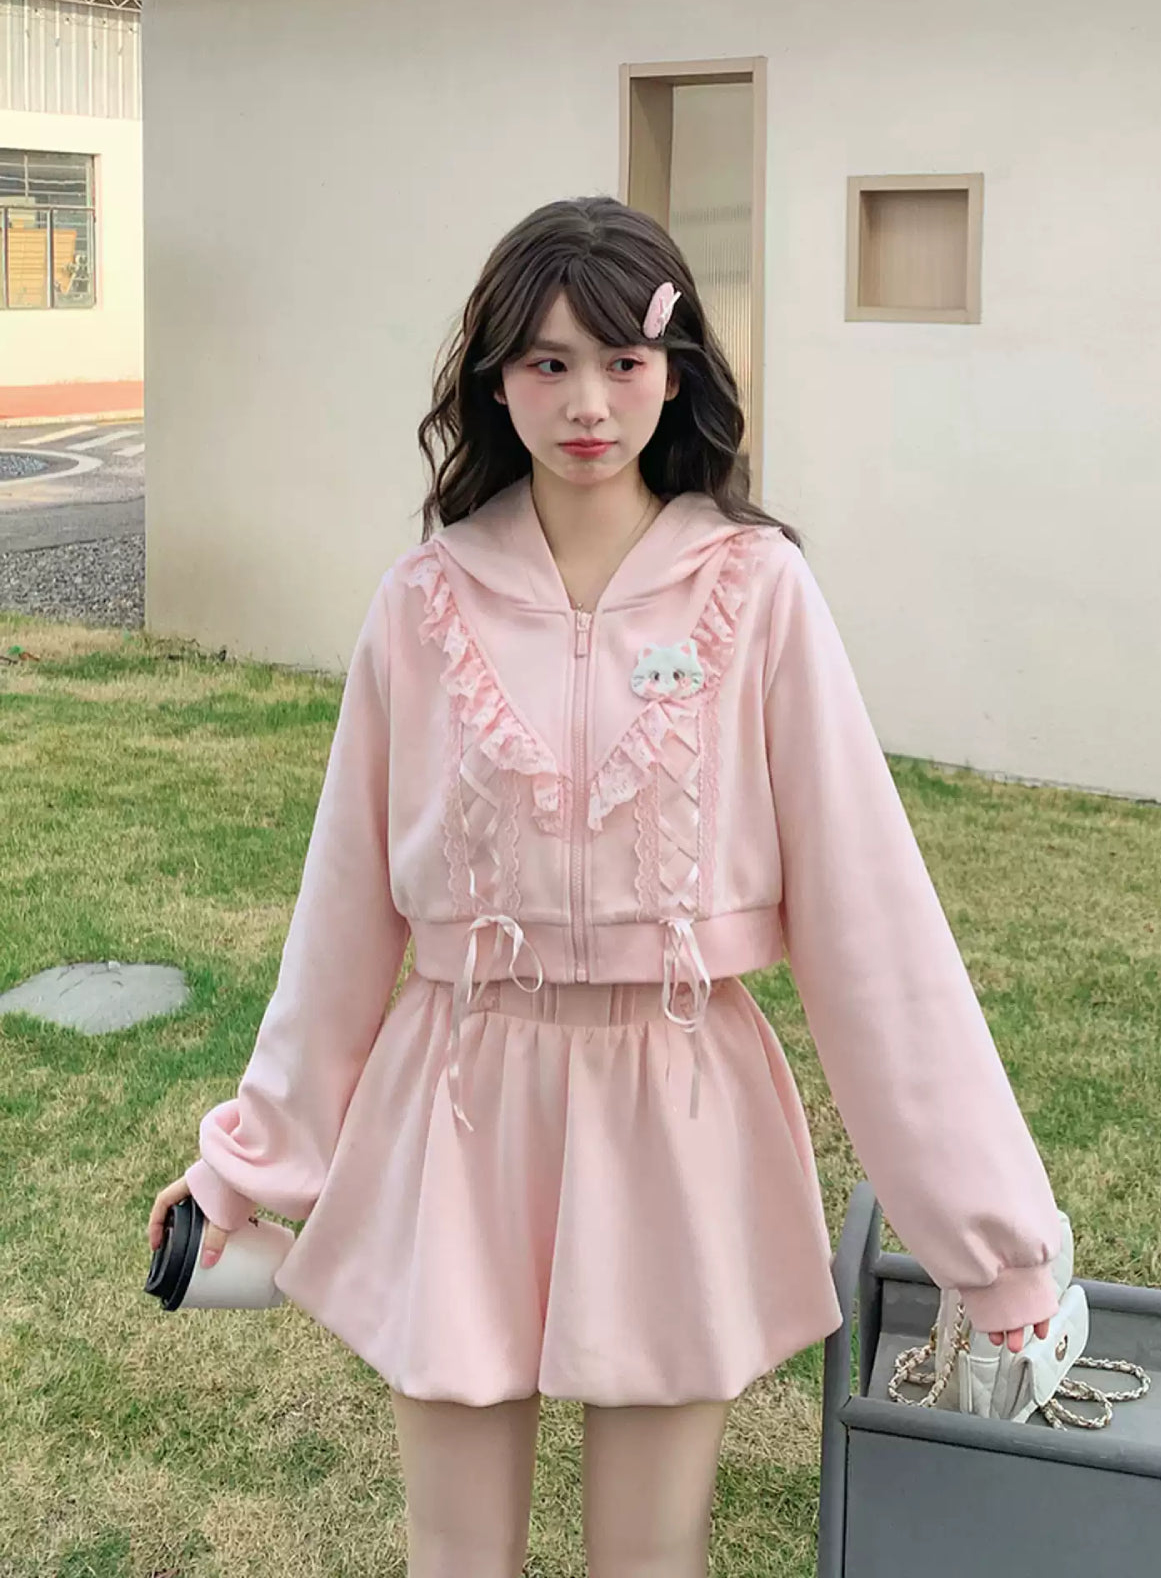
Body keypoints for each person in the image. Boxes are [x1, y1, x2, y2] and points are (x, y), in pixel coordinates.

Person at [148, 195, 1060, 1577]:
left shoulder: (756, 591)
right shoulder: (422, 603)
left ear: (674, 372)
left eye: (623, 362)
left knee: (650, 1557)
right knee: (457, 1558)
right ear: (495, 380)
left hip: (676, 1107)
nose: (587, 403)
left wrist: (994, 1249)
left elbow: (872, 926)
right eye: (548, 363)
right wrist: (242, 1170)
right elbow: (342, 923)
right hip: (461, 1103)